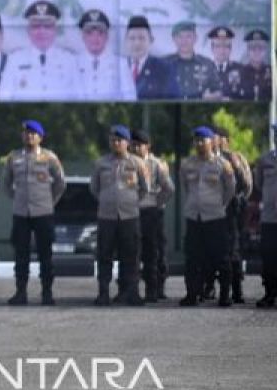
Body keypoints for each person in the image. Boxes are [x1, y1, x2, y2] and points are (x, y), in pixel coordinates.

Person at [4, 119, 66, 305]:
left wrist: (49, 201)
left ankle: (47, 292)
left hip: (43, 212)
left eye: (33, 133)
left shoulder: (49, 157)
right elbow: (6, 183)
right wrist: (17, 198)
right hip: (22, 213)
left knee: (45, 255)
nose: (29, 136)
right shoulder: (14, 157)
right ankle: (20, 292)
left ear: (40, 137)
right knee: (21, 255)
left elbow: (60, 183)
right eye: (26, 133)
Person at [90, 125, 149, 306]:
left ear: (127, 143)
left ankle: (130, 293)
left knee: (130, 256)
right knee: (104, 255)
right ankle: (103, 293)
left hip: (129, 216)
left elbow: (145, 189)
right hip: (106, 217)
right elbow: (94, 188)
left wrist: (130, 202)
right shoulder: (101, 163)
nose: (115, 143)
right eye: (113, 140)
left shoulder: (137, 163)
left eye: (119, 140)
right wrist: (108, 201)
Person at [179, 126, 235, 307]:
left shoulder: (222, 165)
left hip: (215, 218)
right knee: (192, 258)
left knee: (221, 258)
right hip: (194, 217)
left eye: (203, 140)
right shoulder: (187, 164)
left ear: (212, 142)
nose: (199, 144)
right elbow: (185, 187)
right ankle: (191, 294)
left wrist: (219, 205)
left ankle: (225, 295)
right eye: (196, 140)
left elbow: (230, 189)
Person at [0, 0, 78, 100]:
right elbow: (2, 98)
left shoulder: (69, 60)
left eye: (47, 26)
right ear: (28, 30)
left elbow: (80, 98)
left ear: (55, 30)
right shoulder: (14, 60)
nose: (41, 31)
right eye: (36, 26)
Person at [132, 129, 174, 302]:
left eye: (139, 145)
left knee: (153, 253)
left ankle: (154, 288)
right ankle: (130, 290)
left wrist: (157, 203)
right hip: (132, 212)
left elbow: (169, 188)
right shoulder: (127, 163)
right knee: (132, 253)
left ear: (147, 146)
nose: (135, 148)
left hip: (151, 212)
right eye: (133, 145)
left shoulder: (157, 164)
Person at [216, 126, 253, 304]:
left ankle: (236, 290)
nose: (216, 140)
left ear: (227, 141)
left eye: (220, 137)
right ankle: (209, 288)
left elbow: (248, 185)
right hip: (213, 210)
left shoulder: (236, 158)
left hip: (232, 210)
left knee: (233, 251)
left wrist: (239, 199)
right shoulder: (209, 159)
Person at [75, 10, 137, 101]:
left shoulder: (120, 64)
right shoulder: (73, 63)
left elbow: (130, 97)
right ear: (83, 36)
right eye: (89, 33)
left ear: (107, 36)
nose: (95, 38)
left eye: (100, 33)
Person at [123, 16, 178, 99]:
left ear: (151, 40)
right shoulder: (119, 67)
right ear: (126, 41)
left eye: (141, 38)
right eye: (132, 38)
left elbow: (174, 99)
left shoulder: (164, 68)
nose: (137, 43)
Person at [164, 21, 221, 99]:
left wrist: (211, 97)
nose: (184, 41)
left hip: (199, 109)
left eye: (188, 36)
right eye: (180, 37)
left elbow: (218, 91)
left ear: (195, 38)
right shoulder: (162, 64)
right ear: (174, 39)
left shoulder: (207, 64)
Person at [253, 130, 277, 308]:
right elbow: (259, 184)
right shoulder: (265, 160)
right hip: (269, 217)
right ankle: (270, 293)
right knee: (269, 257)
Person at [207, 27, 244, 99]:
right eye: (218, 46)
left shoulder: (241, 69)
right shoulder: (205, 69)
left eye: (226, 46)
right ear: (212, 48)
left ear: (230, 48)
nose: (222, 50)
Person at [236, 29, 272, 101]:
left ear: (265, 50)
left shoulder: (272, 72)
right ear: (248, 50)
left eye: (261, 48)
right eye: (253, 48)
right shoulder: (240, 72)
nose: (257, 51)